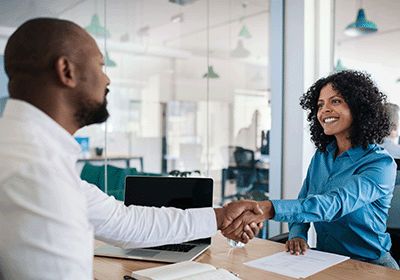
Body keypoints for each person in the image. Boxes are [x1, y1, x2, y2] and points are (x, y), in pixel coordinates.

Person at [0, 18, 263, 279]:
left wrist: (220, 216)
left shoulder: (26, 152)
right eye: (100, 64)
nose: (107, 79)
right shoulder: (35, 172)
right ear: (66, 71)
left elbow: (124, 222)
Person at [223, 70, 399, 269]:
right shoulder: (322, 156)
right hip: (326, 260)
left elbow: (334, 204)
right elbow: (304, 200)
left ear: (359, 108)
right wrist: (298, 233)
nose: (325, 110)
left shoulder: (380, 164)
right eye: (320, 105)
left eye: (336, 101)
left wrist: (267, 208)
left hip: (371, 266)